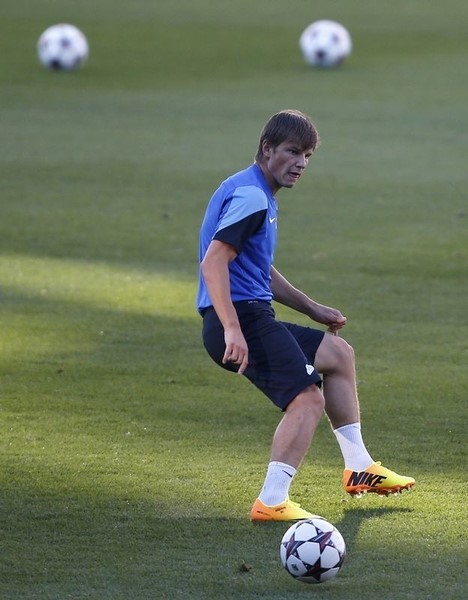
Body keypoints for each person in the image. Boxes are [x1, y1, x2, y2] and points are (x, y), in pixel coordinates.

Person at [196, 109, 415, 521]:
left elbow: (255, 268)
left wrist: (311, 307)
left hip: (247, 313)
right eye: (293, 152)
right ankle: (272, 500)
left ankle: (360, 467)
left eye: (308, 155)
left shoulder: (250, 189)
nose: (301, 163)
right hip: (239, 318)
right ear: (267, 149)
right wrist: (231, 329)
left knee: (337, 354)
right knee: (307, 398)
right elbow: (213, 264)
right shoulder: (252, 198)